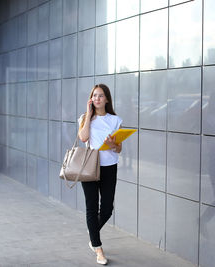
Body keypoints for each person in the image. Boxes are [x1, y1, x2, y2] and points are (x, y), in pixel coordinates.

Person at [78, 84, 122, 265]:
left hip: (109, 167)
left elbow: (119, 148)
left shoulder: (115, 120)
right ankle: (98, 248)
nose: (97, 98)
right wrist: (88, 115)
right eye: (94, 96)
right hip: (89, 166)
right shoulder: (85, 118)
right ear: (91, 99)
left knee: (106, 210)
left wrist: (113, 145)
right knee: (91, 208)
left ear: (107, 99)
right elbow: (83, 137)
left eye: (100, 96)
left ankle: (92, 230)